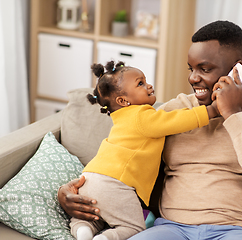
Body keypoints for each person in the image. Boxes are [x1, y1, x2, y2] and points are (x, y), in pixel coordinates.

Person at [58, 20, 242, 240]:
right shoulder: (176, 111)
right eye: (191, 69)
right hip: (172, 229)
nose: (193, 79)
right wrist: (72, 190)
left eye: (204, 69)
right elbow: (121, 155)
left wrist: (233, 114)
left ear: (237, 70)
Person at [69, 60, 219, 240]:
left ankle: (82, 230)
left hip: (89, 178)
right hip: (114, 184)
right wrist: (211, 111)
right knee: (133, 227)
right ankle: (106, 238)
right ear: (123, 101)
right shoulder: (142, 116)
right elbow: (175, 120)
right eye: (140, 83)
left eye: (145, 80)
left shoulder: (121, 120)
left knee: (96, 217)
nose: (149, 85)